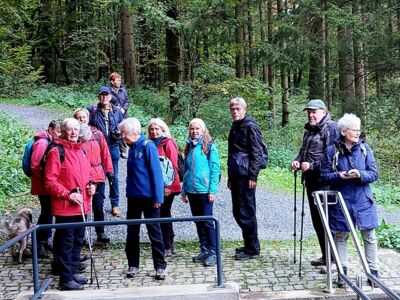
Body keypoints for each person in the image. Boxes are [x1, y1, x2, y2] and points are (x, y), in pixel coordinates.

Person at [321, 113, 379, 287]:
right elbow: (324, 176)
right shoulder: (331, 150)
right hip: (341, 199)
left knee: (369, 236)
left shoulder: (365, 149)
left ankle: (374, 273)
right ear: (344, 131)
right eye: (355, 129)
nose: (358, 133)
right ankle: (342, 273)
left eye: (359, 129)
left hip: (363, 199)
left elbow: (374, 173)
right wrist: (339, 176)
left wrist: (360, 174)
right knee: (341, 236)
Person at [44, 118, 96, 291]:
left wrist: (91, 185)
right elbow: (50, 181)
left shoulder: (81, 150)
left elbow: (86, 174)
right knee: (66, 243)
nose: (73, 133)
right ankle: (65, 279)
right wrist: (68, 194)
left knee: (77, 241)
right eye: (70, 129)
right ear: (63, 131)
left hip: (82, 205)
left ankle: (72, 272)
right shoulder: (56, 151)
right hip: (65, 206)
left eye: (76, 129)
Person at [291, 99, 338, 267]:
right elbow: (303, 152)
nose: (311, 114)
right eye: (309, 112)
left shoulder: (331, 128)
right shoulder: (309, 130)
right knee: (317, 220)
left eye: (314, 112)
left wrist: (312, 166)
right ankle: (326, 255)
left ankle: (334, 258)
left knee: (326, 220)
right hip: (310, 180)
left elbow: (332, 156)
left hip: (325, 182)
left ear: (323, 112)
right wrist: (297, 162)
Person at [118, 117, 167, 280]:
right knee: (132, 233)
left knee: (155, 233)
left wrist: (158, 197)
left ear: (133, 132)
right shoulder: (131, 148)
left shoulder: (148, 146)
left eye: (124, 133)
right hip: (133, 198)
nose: (122, 136)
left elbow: (157, 174)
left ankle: (160, 267)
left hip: (149, 199)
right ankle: (133, 264)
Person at [227, 97, 265, 260]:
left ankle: (252, 249)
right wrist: (230, 176)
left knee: (247, 212)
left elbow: (256, 152)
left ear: (244, 109)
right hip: (236, 175)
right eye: (233, 109)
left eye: (238, 109)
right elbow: (232, 153)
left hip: (246, 176)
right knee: (238, 211)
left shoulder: (250, 126)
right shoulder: (235, 126)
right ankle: (248, 244)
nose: (235, 111)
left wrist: (253, 175)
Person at [181, 118, 221, 267]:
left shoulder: (209, 147)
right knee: (198, 222)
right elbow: (185, 170)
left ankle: (213, 252)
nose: (194, 131)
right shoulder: (189, 146)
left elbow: (215, 170)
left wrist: (212, 190)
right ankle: (204, 249)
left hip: (205, 191)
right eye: (192, 129)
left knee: (208, 222)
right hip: (192, 191)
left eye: (197, 129)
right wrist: (184, 190)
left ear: (203, 130)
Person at [74, 108, 114, 244]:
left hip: (97, 173)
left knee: (98, 204)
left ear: (88, 117)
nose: (81, 119)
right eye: (78, 117)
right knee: (82, 205)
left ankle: (100, 232)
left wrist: (110, 172)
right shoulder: (73, 136)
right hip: (81, 176)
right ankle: (81, 234)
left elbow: (106, 153)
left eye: (84, 117)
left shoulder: (97, 134)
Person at [147, 118, 181, 257]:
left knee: (163, 214)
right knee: (164, 214)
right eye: (152, 129)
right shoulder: (149, 144)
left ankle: (166, 246)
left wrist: (168, 186)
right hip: (155, 185)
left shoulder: (168, 144)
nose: (154, 132)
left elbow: (173, 165)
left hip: (168, 186)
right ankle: (169, 243)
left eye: (157, 129)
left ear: (162, 130)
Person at [88, 86, 124, 217]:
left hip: (113, 146)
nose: (104, 97)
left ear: (110, 97)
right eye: (101, 95)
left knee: (113, 176)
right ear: (99, 97)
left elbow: (122, 126)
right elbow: (88, 127)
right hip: (98, 148)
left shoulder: (117, 111)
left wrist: (119, 134)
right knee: (99, 176)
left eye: (106, 95)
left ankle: (115, 204)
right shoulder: (93, 111)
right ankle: (100, 204)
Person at [30, 120, 61, 257]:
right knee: (46, 213)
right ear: (50, 129)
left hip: (45, 184)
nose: (59, 135)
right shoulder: (42, 143)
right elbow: (35, 166)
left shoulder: (48, 140)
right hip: (42, 185)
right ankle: (37, 244)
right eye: (58, 132)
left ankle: (44, 240)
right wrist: (48, 179)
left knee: (48, 212)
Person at [108, 72, 130, 159]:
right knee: (114, 132)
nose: (119, 82)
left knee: (124, 131)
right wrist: (116, 108)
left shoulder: (123, 90)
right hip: (113, 115)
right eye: (117, 80)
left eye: (120, 80)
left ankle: (124, 150)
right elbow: (107, 103)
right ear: (112, 82)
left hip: (124, 114)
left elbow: (127, 101)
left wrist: (124, 108)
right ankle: (112, 149)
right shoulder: (108, 91)